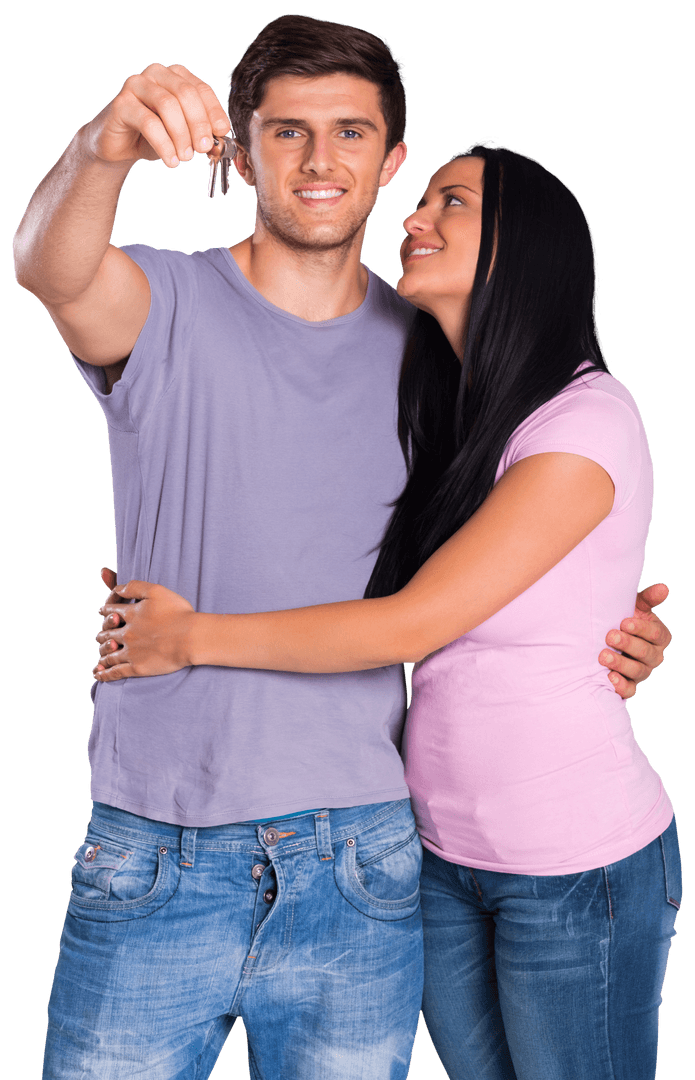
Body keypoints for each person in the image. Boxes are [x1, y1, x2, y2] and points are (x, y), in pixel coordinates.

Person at [13, 13, 670, 1080]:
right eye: (287, 132)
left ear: (388, 157)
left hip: (362, 854)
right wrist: (102, 147)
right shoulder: (162, 299)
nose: (320, 160)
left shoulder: (435, 357)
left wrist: (606, 632)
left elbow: (479, 565)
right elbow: (49, 267)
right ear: (240, 153)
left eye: (351, 133)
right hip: (157, 842)